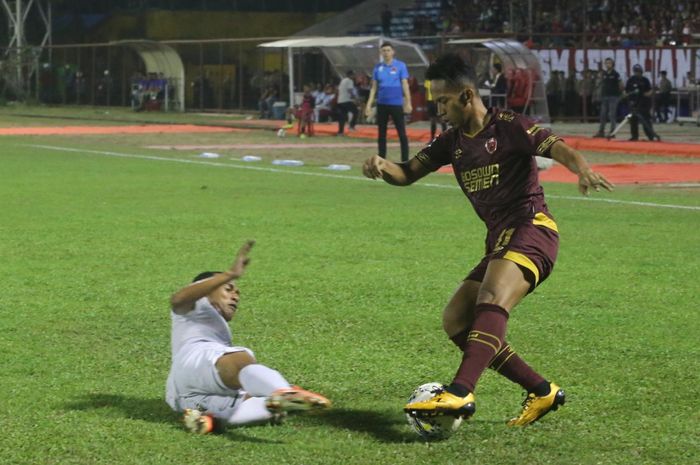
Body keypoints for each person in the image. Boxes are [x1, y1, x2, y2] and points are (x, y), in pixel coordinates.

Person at [362, 53, 613, 426]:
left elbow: (557, 147)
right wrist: (384, 167)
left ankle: (460, 392)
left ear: (466, 96)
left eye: (443, 101)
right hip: (500, 241)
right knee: (457, 320)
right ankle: (541, 390)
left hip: (532, 229)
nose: (439, 109)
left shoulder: (510, 126)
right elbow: (408, 173)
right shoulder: (451, 141)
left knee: (491, 298)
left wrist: (583, 169)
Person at [165, 241, 331, 434]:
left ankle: (210, 421)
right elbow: (177, 299)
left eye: (237, 292)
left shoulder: (211, 323)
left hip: (180, 395)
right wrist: (229, 274)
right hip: (193, 364)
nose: (235, 296)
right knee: (240, 360)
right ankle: (284, 391)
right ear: (206, 289)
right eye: (228, 289)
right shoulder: (195, 306)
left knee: (268, 408)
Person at [365, 42, 413, 162]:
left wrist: (408, 102)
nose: (386, 53)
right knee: (381, 134)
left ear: (393, 52)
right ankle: (381, 159)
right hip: (382, 104)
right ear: (381, 52)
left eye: (388, 50)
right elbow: (374, 88)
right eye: (384, 50)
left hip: (396, 104)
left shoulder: (400, 66)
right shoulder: (377, 68)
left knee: (402, 133)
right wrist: (369, 104)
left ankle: (405, 160)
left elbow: (405, 84)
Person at [624, 64, 661, 141]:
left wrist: (649, 93)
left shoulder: (645, 80)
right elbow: (626, 91)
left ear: (641, 72)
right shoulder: (630, 80)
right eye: (636, 71)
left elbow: (649, 91)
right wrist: (628, 97)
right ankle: (634, 136)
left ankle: (651, 136)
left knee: (646, 120)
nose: (637, 73)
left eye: (639, 71)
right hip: (633, 103)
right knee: (633, 120)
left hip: (644, 104)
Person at [594, 58, 623, 138]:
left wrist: (619, 94)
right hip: (605, 96)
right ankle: (601, 131)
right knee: (603, 114)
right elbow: (600, 84)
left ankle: (612, 132)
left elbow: (621, 85)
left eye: (609, 63)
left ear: (612, 64)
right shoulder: (604, 74)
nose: (608, 65)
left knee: (612, 115)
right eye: (606, 63)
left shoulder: (616, 74)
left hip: (613, 96)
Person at [337, 70, 359, 135]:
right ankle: (351, 126)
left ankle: (340, 132)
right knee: (355, 111)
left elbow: (339, 90)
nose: (354, 76)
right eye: (353, 75)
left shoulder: (342, 80)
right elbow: (350, 90)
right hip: (346, 100)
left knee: (342, 117)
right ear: (350, 75)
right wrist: (355, 98)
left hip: (340, 101)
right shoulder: (350, 81)